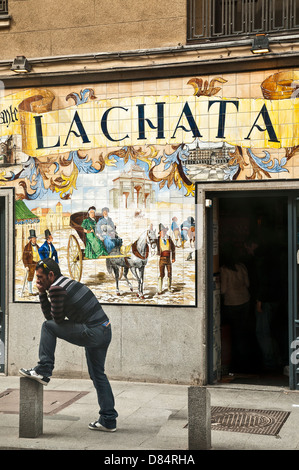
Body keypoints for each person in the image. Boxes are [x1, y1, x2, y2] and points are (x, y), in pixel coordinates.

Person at [19, 258, 118, 432]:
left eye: (41, 277)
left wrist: (42, 294)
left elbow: (53, 320)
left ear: (51, 274)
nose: (38, 281)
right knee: (98, 375)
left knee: (47, 327)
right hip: (104, 329)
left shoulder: (57, 289)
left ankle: (43, 369)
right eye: (37, 277)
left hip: (93, 331)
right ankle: (108, 419)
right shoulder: (66, 282)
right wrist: (44, 291)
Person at [220, 243, 251, 372]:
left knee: (233, 333)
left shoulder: (224, 269)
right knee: (242, 331)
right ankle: (245, 359)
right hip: (245, 299)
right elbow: (248, 283)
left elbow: (223, 289)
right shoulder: (241, 266)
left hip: (232, 303)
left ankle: (237, 362)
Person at [157, 223, 175, 294]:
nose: (163, 233)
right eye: (162, 232)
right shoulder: (158, 239)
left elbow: (173, 248)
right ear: (160, 232)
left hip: (168, 259)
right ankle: (160, 289)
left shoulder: (169, 238)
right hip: (161, 259)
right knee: (161, 274)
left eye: (164, 231)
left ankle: (169, 288)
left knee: (169, 273)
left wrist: (173, 258)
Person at [22, 229, 40, 295]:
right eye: (33, 239)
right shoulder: (27, 247)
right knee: (30, 277)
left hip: (37, 263)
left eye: (35, 238)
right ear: (31, 239)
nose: (35, 240)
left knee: (39, 276)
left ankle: (40, 291)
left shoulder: (37, 246)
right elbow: (24, 257)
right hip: (31, 263)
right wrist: (26, 266)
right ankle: (30, 292)